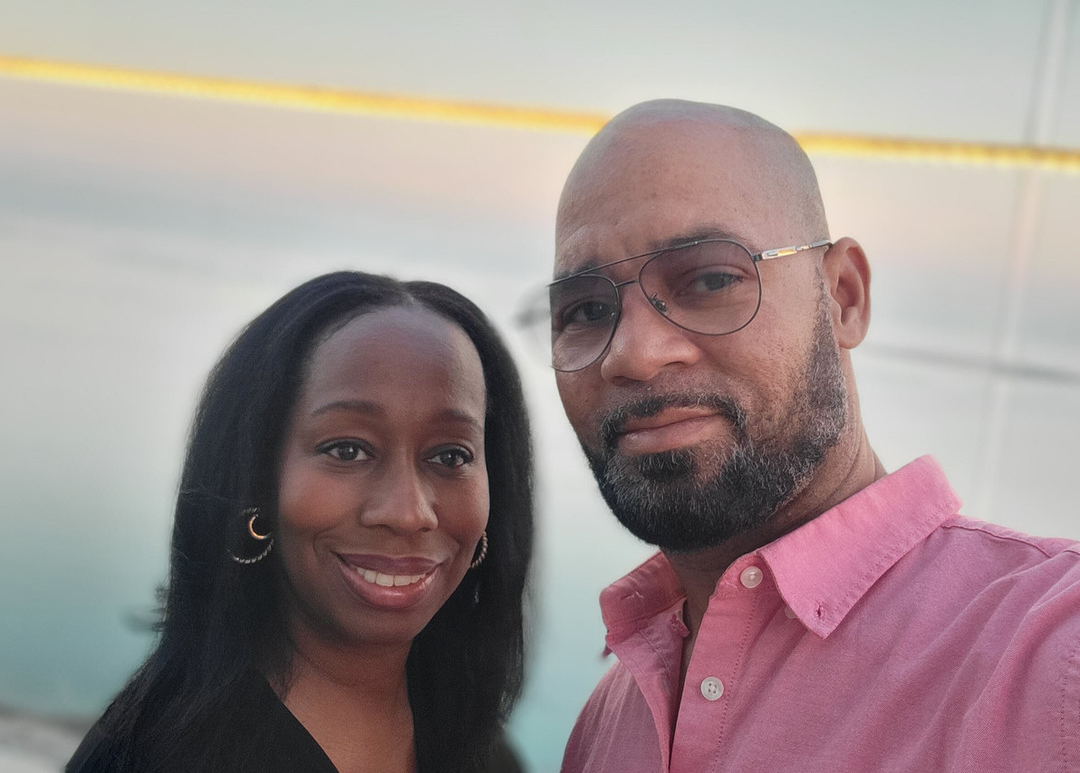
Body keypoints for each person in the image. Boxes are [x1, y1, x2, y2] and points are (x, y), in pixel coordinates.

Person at [519, 100, 1080, 772]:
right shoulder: (608, 726)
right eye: (585, 310)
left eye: (710, 280)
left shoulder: (1051, 657)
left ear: (843, 296)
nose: (633, 355)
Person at [68, 271, 533, 773]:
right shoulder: (152, 757)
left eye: (450, 456)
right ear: (256, 476)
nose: (407, 513)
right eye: (348, 450)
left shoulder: (483, 753)